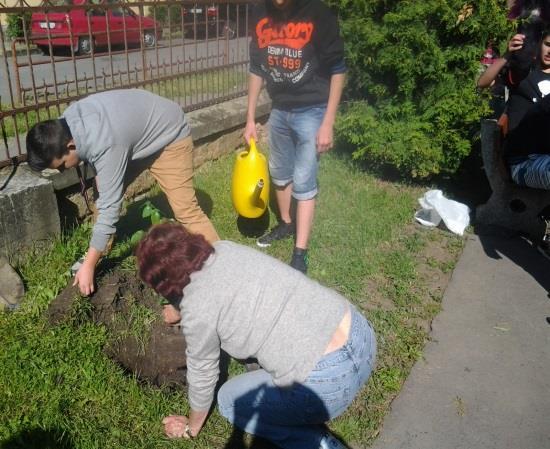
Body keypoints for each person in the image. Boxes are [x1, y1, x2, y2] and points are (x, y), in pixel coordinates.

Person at [135, 222, 377, 449]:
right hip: (361, 335)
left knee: (230, 402)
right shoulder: (224, 249)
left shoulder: (197, 309)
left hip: (329, 384)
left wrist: (192, 426)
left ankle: (317, 442)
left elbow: (203, 371)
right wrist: (180, 307)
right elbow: (215, 285)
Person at [26, 89, 219, 296]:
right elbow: (95, 151)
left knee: (186, 210)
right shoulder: (67, 121)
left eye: (62, 165)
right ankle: (100, 250)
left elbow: (111, 208)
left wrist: (88, 267)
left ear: (70, 145)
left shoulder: (106, 143)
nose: (63, 170)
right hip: (133, 138)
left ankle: (223, 268)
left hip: (168, 136)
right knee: (102, 195)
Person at [244, 0, 347, 274]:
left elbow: (338, 69)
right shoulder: (260, 13)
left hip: (312, 110)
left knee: (303, 180)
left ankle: (300, 253)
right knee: (279, 174)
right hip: (279, 109)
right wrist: (250, 118)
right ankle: (286, 224)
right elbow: (256, 68)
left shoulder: (318, 14)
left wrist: (328, 122)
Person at [500, 30, 550, 258]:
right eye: (548, 44)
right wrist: (507, 55)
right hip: (524, 163)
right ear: (539, 44)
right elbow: (484, 82)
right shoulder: (525, 74)